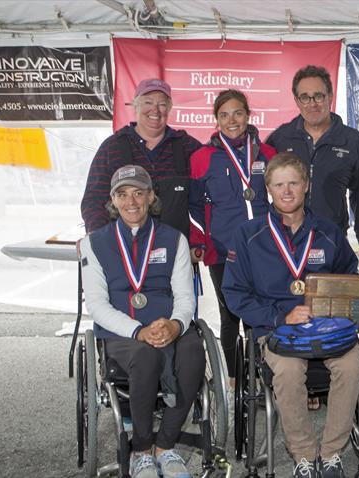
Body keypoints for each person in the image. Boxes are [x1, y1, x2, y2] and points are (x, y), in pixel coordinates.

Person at [222, 152, 359, 478]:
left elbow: (351, 282)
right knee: (286, 370)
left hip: (329, 330)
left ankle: (330, 454)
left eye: (294, 183)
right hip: (276, 331)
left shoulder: (328, 232)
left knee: (351, 365)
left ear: (306, 186)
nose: (287, 191)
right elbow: (235, 295)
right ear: (268, 188)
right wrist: (280, 316)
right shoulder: (248, 235)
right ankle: (302, 455)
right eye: (279, 184)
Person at [79, 165, 205, 478]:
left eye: (138, 192)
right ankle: (141, 451)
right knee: (145, 355)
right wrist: (138, 331)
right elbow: (96, 304)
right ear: (113, 201)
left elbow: (185, 297)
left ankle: (166, 446)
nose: (131, 201)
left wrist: (176, 325)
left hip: (169, 325)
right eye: (122, 194)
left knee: (193, 351)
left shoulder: (173, 239)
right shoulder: (94, 243)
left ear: (151, 196)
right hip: (123, 332)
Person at [188, 89, 277, 383]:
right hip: (224, 252)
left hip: (265, 251)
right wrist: (200, 242)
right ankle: (234, 378)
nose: (232, 120)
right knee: (230, 315)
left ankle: (262, 372)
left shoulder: (268, 154)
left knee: (260, 313)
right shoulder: (202, 158)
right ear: (216, 120)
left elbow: (283, 199)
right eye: (224, 115)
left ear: (248, 115)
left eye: (237, 113)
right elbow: (194, 207)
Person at [266, 65, 359, 261]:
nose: (312, 103)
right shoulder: (281, 138)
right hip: (285, 239)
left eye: (319, 96)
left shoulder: (353, 141)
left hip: (331, 239)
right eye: (305, 97)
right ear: (297, 101)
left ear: (330, 96)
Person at [81, 78, 201, 236]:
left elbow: (208, 197)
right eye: (148, 102)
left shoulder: (187, 146)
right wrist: (99, 238)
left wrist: (200, 241)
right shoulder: (112, 148)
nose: (155, 110)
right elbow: (94, 199)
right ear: (135, 106)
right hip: (127, 251)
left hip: (177, 251)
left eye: (162, 104)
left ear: (170, 108)